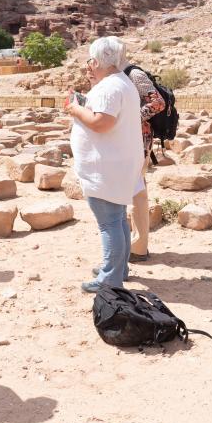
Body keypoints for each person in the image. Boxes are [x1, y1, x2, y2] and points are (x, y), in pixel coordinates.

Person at [63, 36, 144, 294]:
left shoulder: (111, 87)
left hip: (106, 168)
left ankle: (110, 278)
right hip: (116, 164)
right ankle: (117, 268)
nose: (88, 65)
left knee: (109, 223)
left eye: (90, 60)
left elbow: (102, 123)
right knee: (117, 219)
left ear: (98, 61)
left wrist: (75, 109)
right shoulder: (121, 83)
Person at [123, 61, 166, 263]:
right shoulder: (117, 74)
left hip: (140, 140)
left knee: (137, 192)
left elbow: (158, 103)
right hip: (129, 140)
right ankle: (133, 245)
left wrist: (130, 119)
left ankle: (138, 248)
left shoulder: (135, 75)